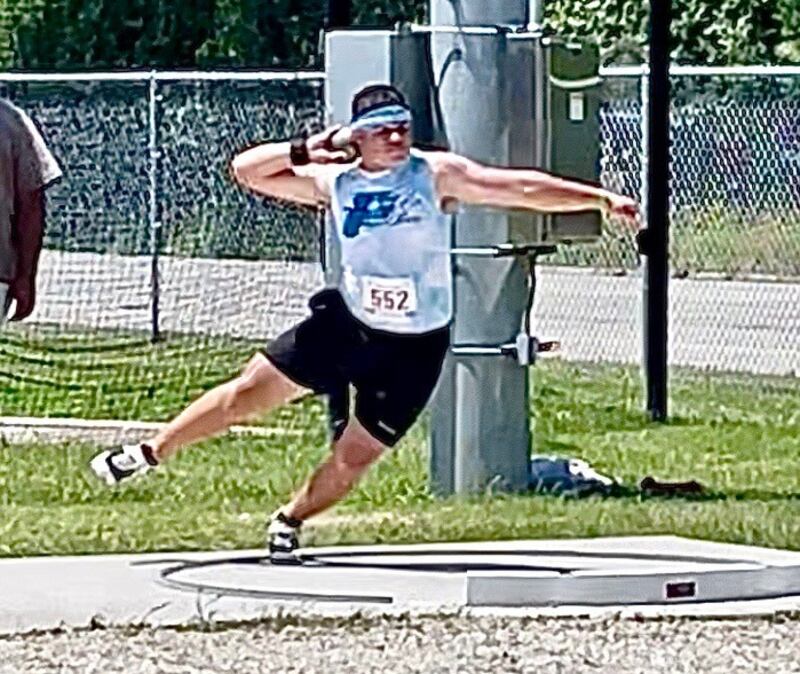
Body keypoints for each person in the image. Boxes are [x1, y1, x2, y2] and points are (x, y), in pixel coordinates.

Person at [90, 84, 638, 563]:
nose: (396, 139)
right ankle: (150, 452)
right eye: (381, 132)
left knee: (356, 454)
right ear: (356, 138)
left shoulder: (435, 173)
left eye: (402, 128)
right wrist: (304, 148)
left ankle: (290, 519)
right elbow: (246, 172)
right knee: (245, 396)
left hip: (415, 344)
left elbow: (517, 187)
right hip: (348, 324)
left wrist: (599, 198)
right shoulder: (336, 182)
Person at [0, 98, 62, 325]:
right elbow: (31, 203)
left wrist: (26, 276)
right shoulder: (10, 119)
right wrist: (26, 276)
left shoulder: (10, 121)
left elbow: (31, 203)